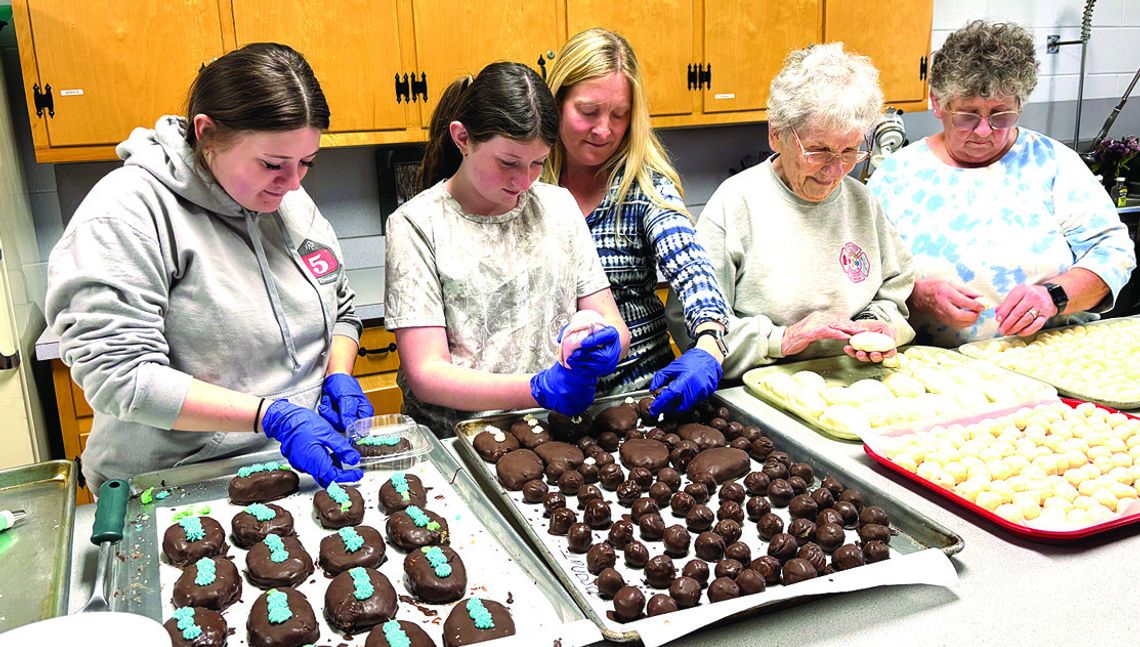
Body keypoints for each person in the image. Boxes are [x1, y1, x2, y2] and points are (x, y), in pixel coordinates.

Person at [46, 43, 370, 490]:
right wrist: (268, 414)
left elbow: (343, 309)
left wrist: (338, 373)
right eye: (273, 164)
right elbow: (120, 377)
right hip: (174, 480)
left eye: (307, 163)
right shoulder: (127, 212)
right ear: (207, 134)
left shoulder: (288, 198)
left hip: (297, 465)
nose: (294, 182)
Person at [384, 61, 629, 435]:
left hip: (552, 430)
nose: (523, 180)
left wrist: (607, 342)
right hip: (458, 438)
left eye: (538, 163)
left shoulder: (559, 208)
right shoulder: (417, 225)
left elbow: (610, 321)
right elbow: (427, 374)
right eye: (508, 162)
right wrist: (538, 388)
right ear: (463, 138)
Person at [868, 20, 1136, 347]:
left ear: (1020, 105)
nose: (984, 131)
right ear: (937, 103)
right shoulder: (896, 177)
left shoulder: (1053, 163)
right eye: (967, 115)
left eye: (1001, 116)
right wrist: (919, 297)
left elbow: (1112, 252)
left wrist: (1054, 297)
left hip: (1049, 353)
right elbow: (864, 280)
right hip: (936, 366)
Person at [669, 43, 916, 379]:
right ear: (776, 134)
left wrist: (880, 325)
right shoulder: (736, 204)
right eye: (818, 151)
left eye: (849, 152)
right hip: (761, 388)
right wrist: (782, 340)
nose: (834, 171)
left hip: (855, 383)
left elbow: (896, 293)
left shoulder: (862, 202)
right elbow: (691, 325)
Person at [544, 28, 730, 416]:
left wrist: (710, 342)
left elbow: (691, 264)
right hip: (546, 397)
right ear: (557, 102)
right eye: (588, 111)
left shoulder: (644, 187)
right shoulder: (525, 185)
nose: (604, 130)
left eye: (620, 114)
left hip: (638, 395)